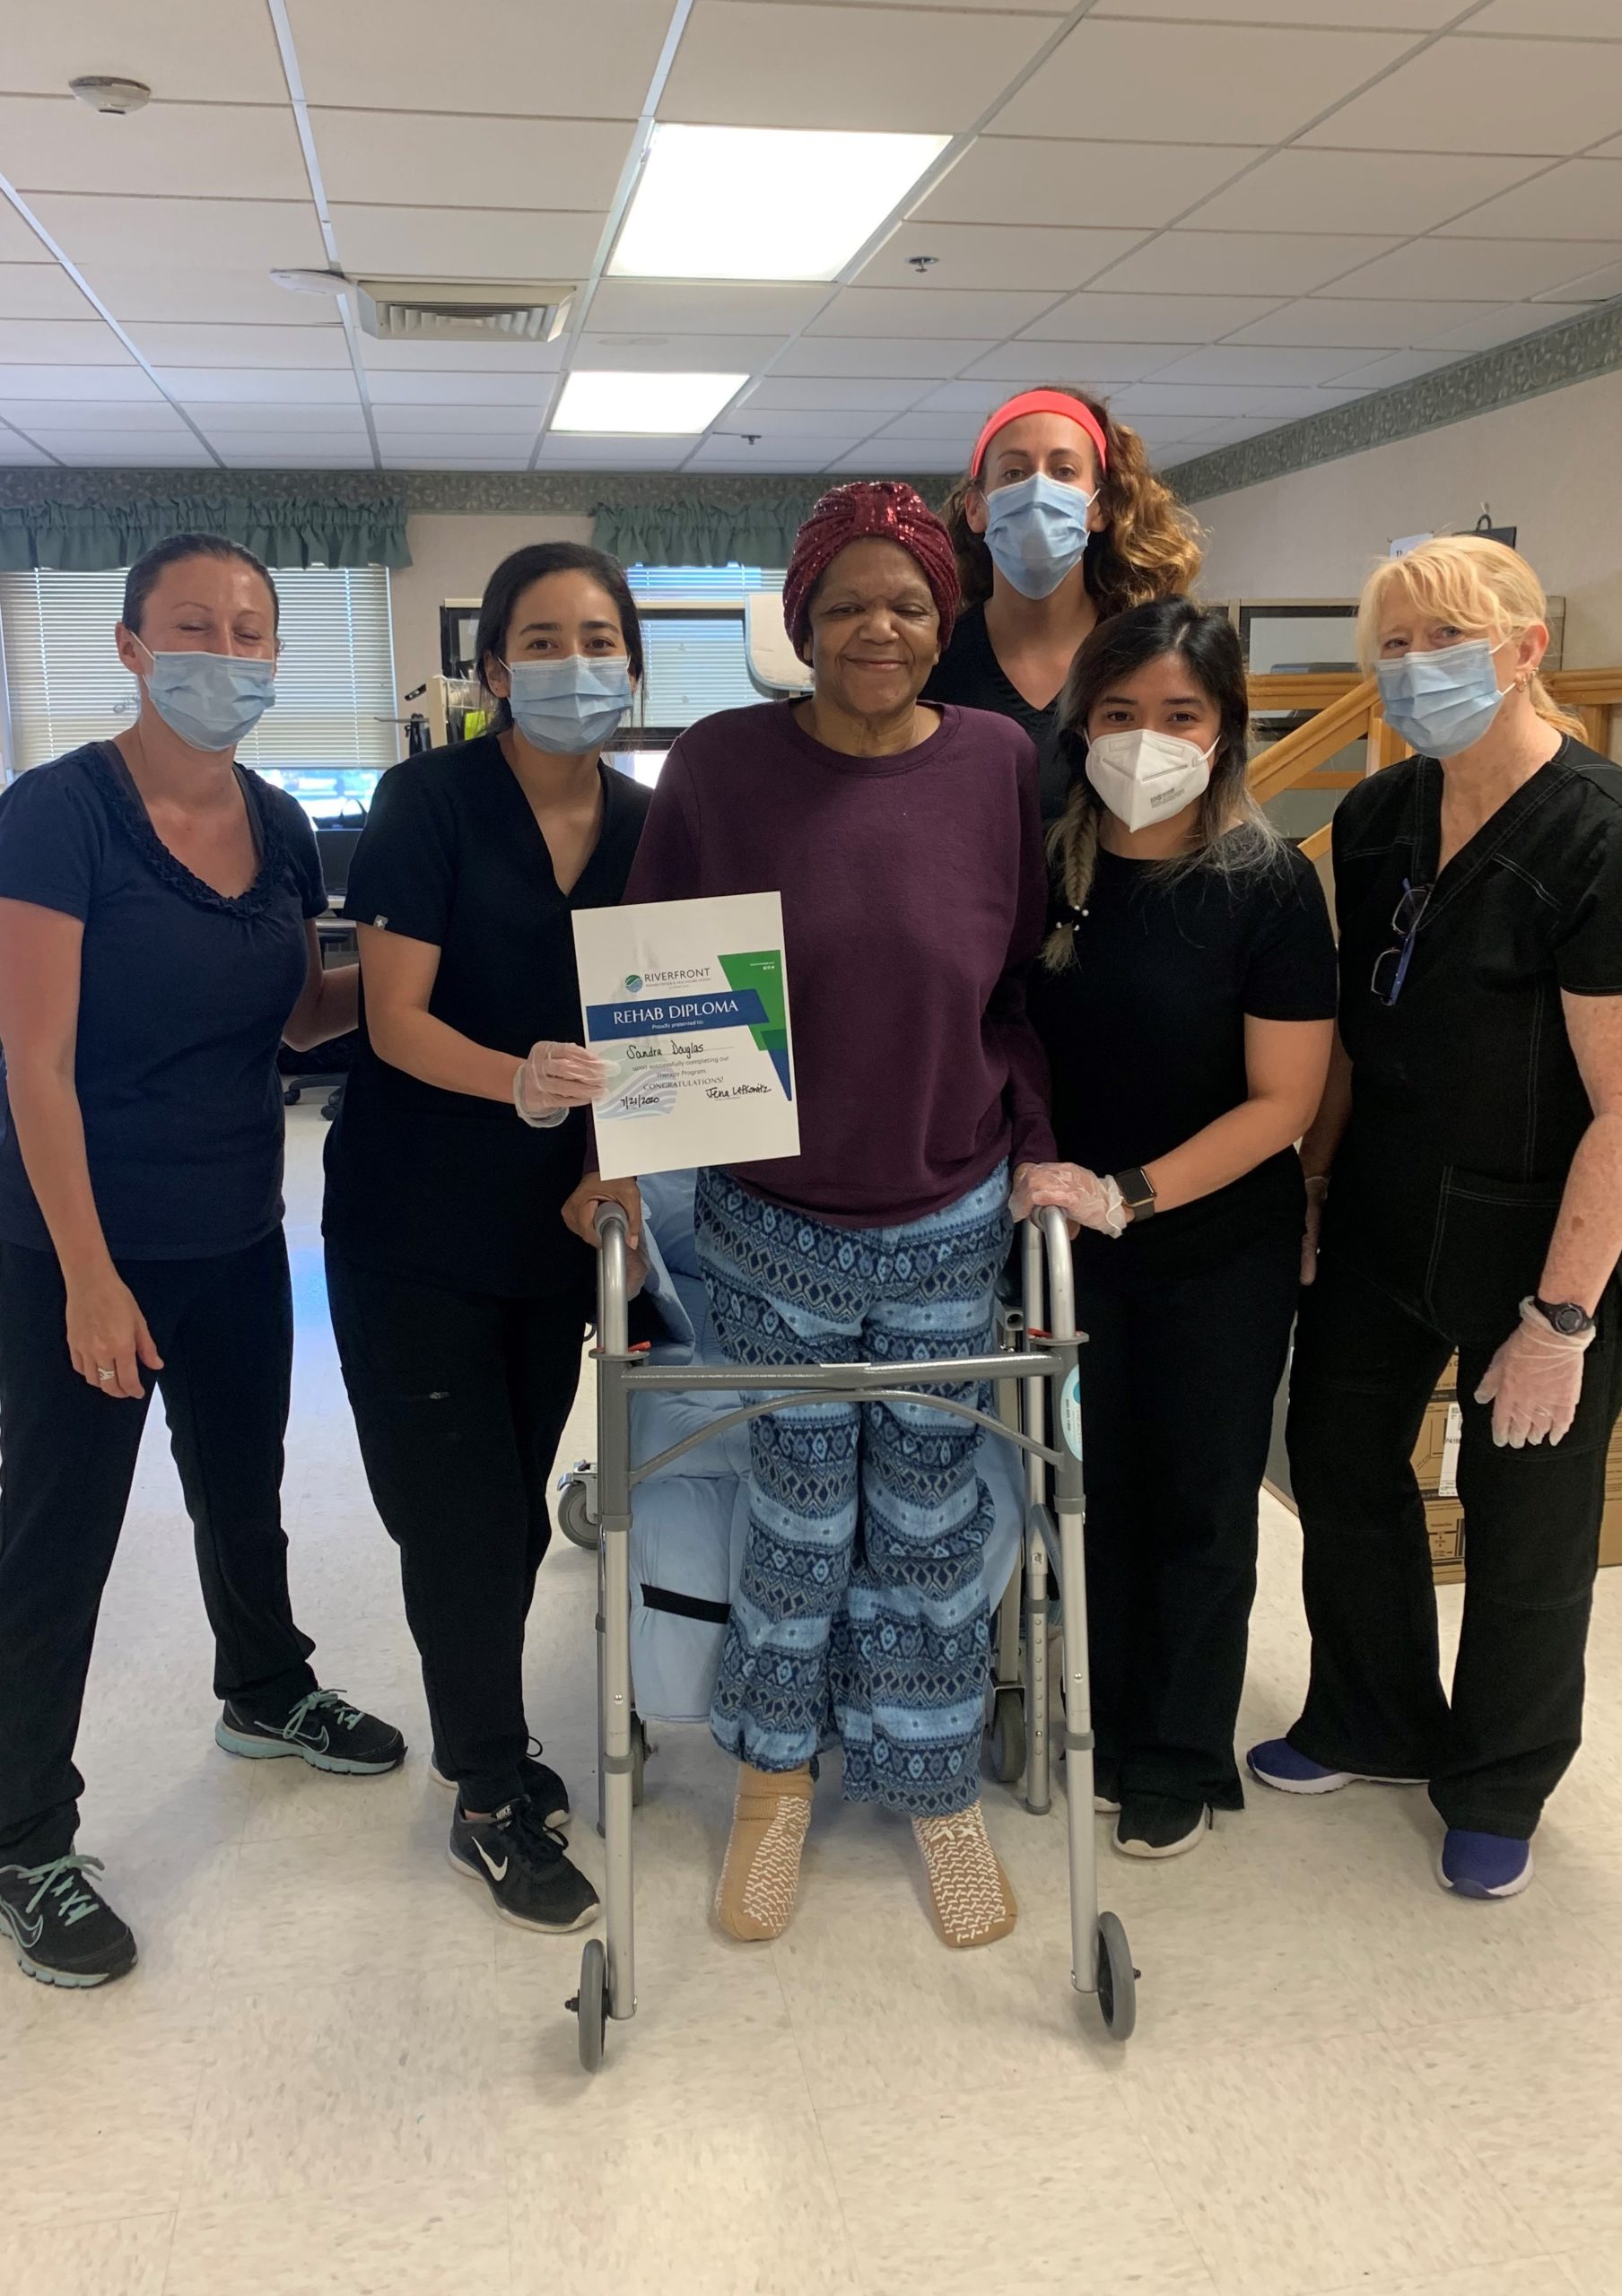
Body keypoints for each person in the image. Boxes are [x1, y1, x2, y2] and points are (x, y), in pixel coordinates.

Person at [564, 482, 1056, 1950]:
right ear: (801, 623)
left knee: (930, 1520)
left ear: (942, 620)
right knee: (795, 1511)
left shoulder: (996, 761)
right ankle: (774, 1779)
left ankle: (933, 1783)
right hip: (773, 1218)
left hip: (950, 1204)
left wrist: (1037, 1148)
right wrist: (616, 1148)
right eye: (844, 606)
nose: (876, 629)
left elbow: (1017, 981)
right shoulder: (724, 763)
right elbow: (652, 977)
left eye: (906, 604)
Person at [0, 533, 405, 1990]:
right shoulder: (55, 817)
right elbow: (32, 1069)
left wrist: (428, 974)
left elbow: (294, 1018)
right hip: (79, 1244)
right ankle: (23, 1843)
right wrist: (91, 1278)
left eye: (251, 630)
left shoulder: (277, 823)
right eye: (195, 626)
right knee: (60, 1533)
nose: (228, 653)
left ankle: (265, 1688)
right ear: (133, 647)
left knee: (242, 1486)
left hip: (232, 1230)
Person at [1250, 535, 1622, 1900]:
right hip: (1386, 1208)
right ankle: (1372, 1717)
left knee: (1524, 1516)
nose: (1415, 665)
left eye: (1447, 637)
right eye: (1392, 644)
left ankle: (1498, 1781)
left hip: (1548, 1240)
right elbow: (1355, 1034)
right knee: (1338, 1460)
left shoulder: (1613, 835)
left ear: (1525, 649)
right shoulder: (1381, 816)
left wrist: (1560, 1322)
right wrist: (1316, 1187)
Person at [323, 542, 652, 1936]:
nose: (574, 663)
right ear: (493, 668)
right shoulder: (431, 801)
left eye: (599, 637)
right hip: (414, 1213)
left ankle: (494, 1738)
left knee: (513, 1507)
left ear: (633, 661)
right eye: (542, 639)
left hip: (554, 1224)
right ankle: (484, 1795)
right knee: (456, 1517)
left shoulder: (648, 826)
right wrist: (517, 1080)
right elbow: (393, 1018)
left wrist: (612, 1159)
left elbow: (661, 1027)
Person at [1018, 601, 1336, 1858]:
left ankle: (1181, 1751)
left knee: (1202, 1501)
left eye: (1179, 714)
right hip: (1061, 1246)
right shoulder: (1045, 870)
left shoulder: (1267, 885)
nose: (1146, 738)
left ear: (1225, 730)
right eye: (1119, 713)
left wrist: (1130, 1193)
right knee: (1093, 1492)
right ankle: (1101, 1718)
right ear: (1080, 725)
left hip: (1213, 1244)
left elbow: (1284, 1102)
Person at [926, 387, 1203, 821]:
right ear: (976, 509)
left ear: (1100, 507)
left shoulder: (1147, 659)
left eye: (1064, 471)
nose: (1039, 490)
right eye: (1014, 473)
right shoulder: (933, 664)